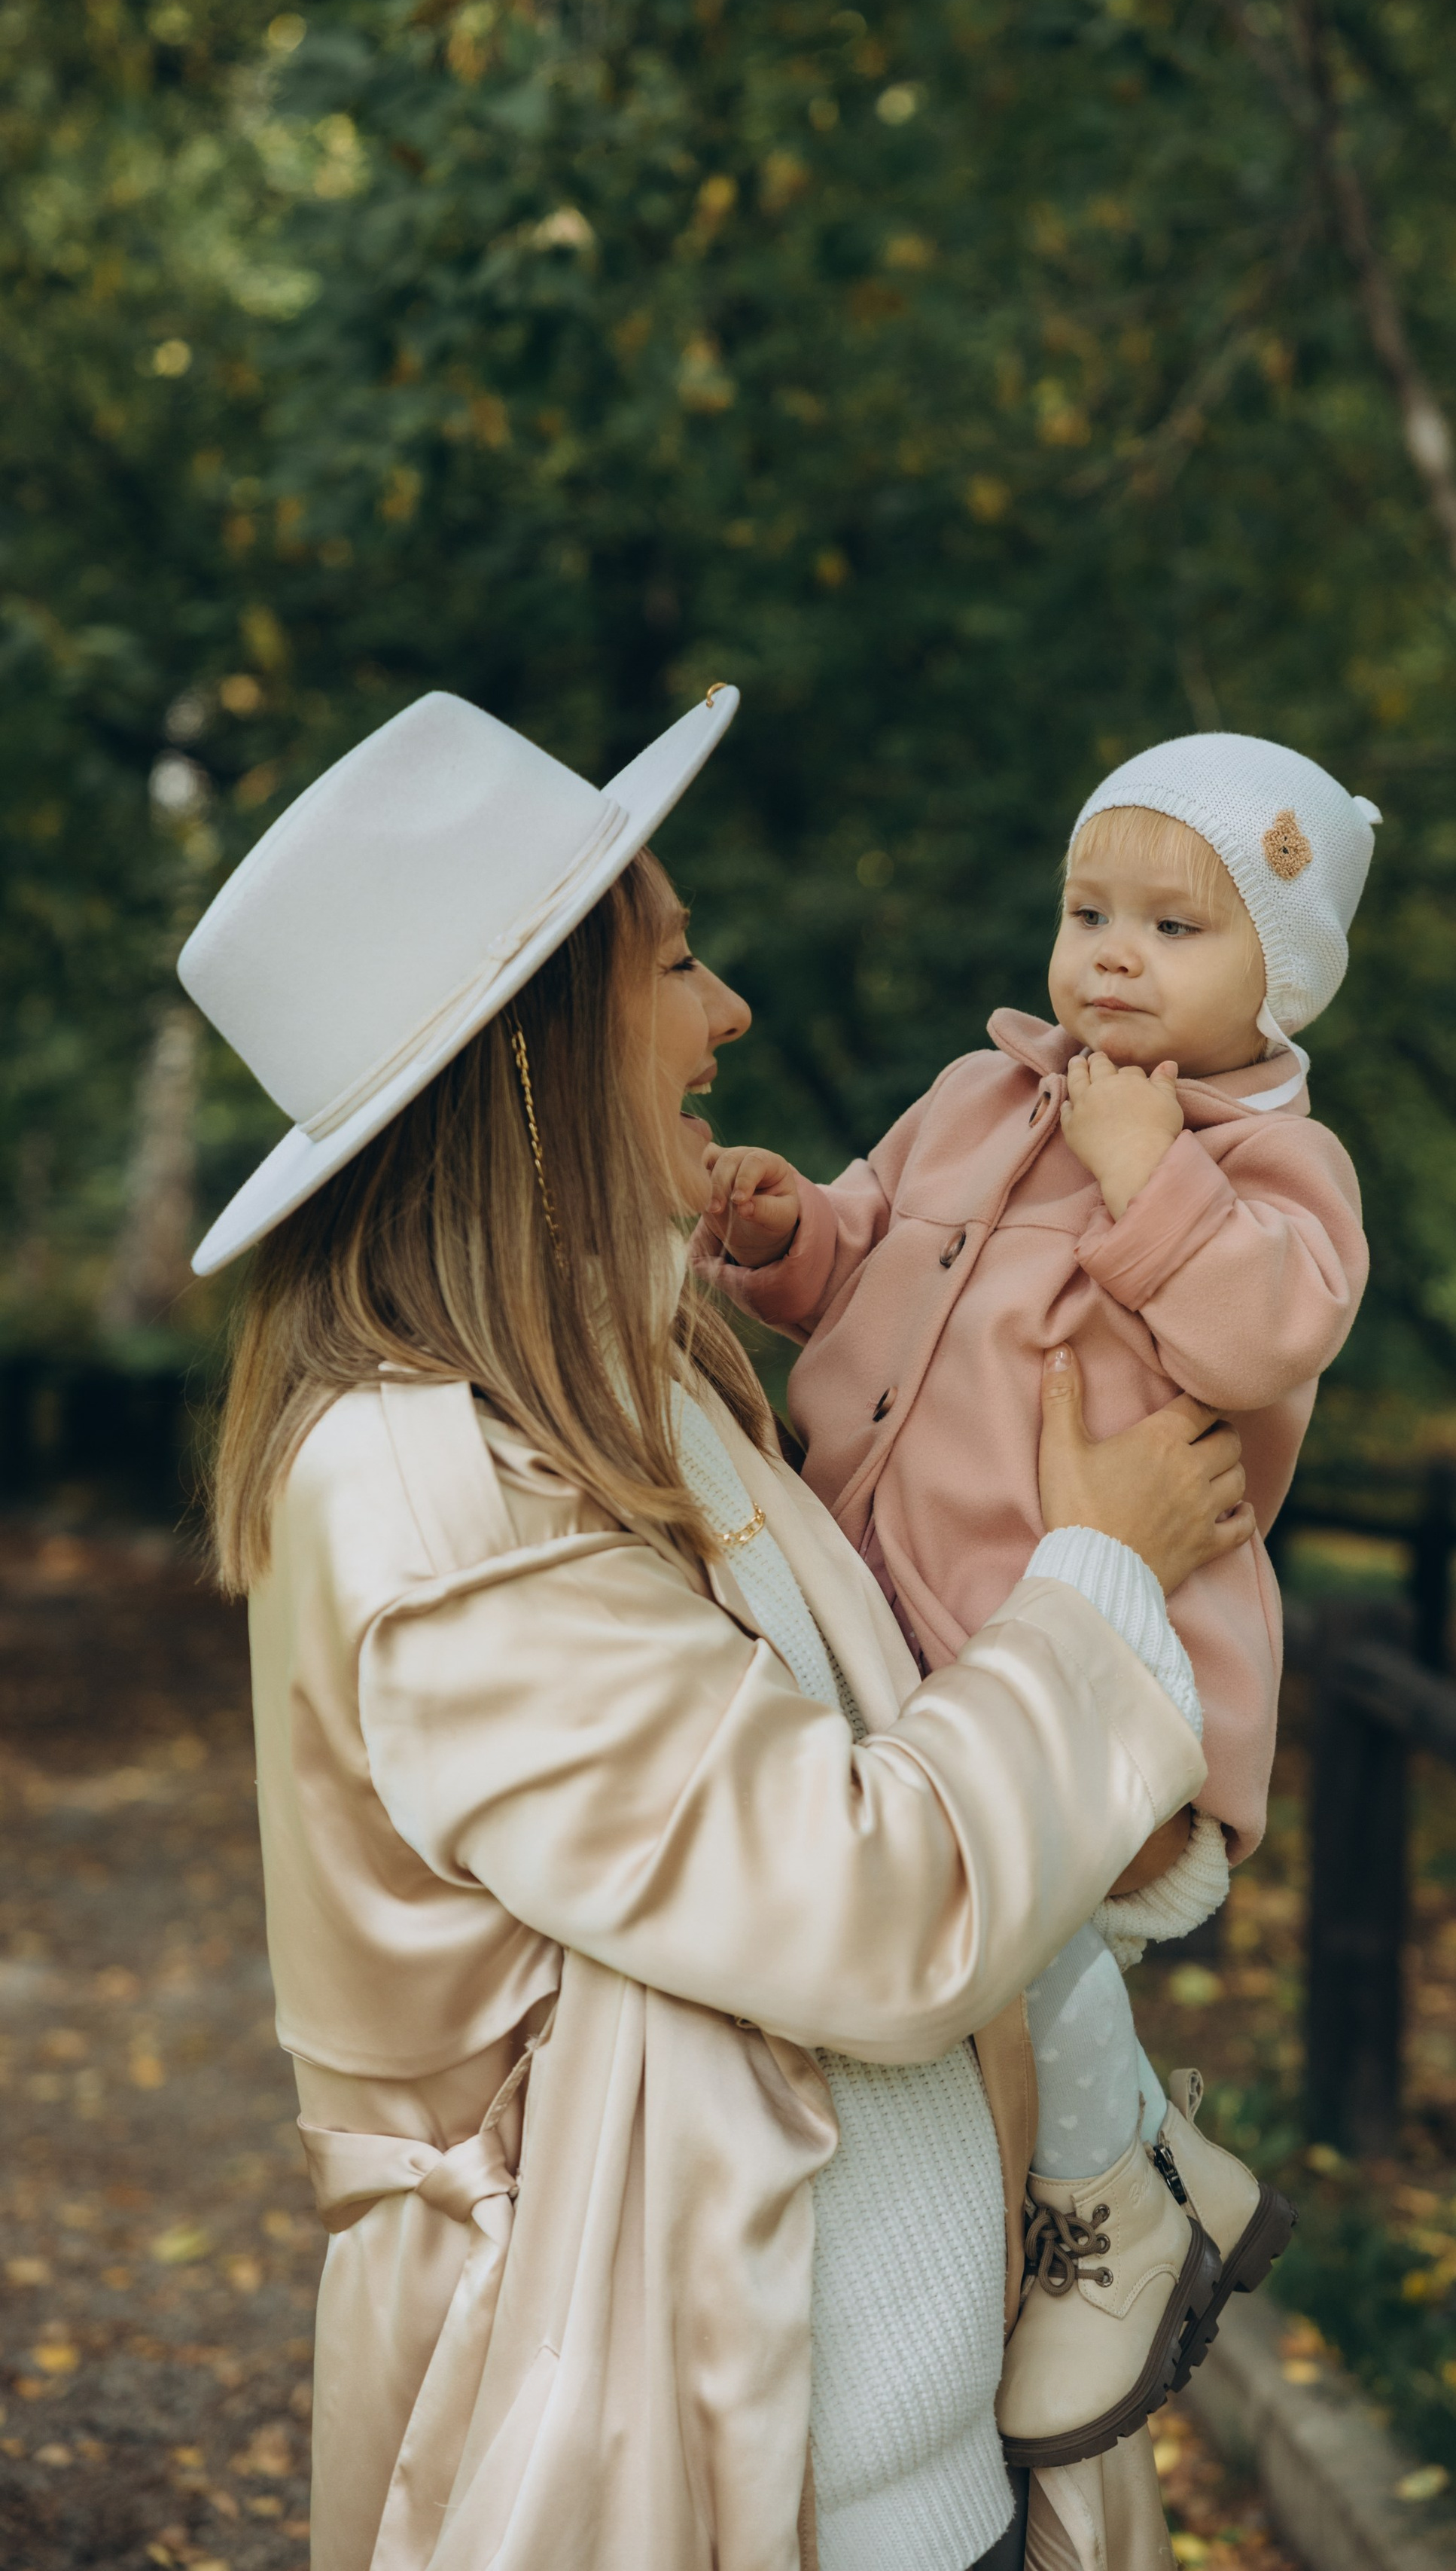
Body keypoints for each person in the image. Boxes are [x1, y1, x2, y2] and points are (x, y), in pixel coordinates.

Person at [179, 685, 1253, 2571]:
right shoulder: (430, 1489)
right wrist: (1098, 1577)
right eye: (673, 962)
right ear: (528, 1055)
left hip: (920, 2476)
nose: (727, 1011)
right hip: (707, 2500)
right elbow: (867, 1897)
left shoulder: (642, 1376)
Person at [699, 732, 1375, 2463]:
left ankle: (1106, 2208)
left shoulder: (1273, 1170)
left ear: (1278, 980)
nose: (1114, 957)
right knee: (939, 1916)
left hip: (1113, 1646)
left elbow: (1261, 1338)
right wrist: (788, 1233)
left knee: (1033, 1903)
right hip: (899, 1613)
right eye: (1089, 911)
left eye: (1175, 926)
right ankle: (1142, 2167)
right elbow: (862, 1250)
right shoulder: (976, 1097)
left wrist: (1152, 1175)